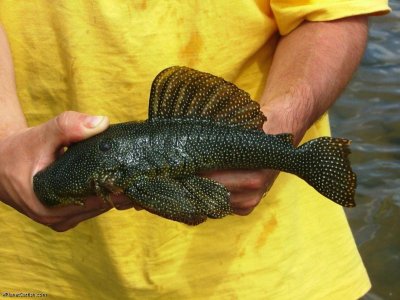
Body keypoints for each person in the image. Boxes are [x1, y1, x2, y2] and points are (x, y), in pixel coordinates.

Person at [0, 1, 390, 299]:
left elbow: (333, 11)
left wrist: (282, 125)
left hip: (271, 272)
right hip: (32, 269)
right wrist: (4, 139)